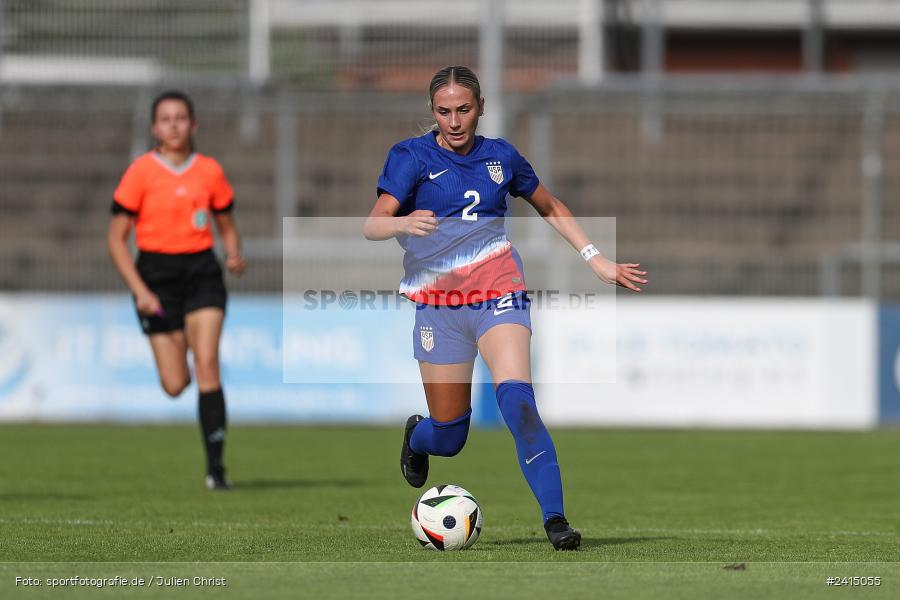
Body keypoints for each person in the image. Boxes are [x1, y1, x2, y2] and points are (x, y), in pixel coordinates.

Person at [364, 66, 648, 550]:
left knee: (517, 400)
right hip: (439, 306)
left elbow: (550, 205)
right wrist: (403, 222)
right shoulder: (410, 157)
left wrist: (594, 258)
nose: (454, 121)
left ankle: (556, 520)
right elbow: (373, 225)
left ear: (480, 108)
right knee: (450, 436)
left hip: (500, 295)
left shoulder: (501, 157)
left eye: (464, 110)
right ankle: (417, 438)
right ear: (432, 112)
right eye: (443, 111)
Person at [107, 90, 246, 491]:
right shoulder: (140, 172)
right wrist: (140, 291)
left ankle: (216, 471)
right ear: (154, 127)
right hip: (155, 278)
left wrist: (235, 254)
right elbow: (116, 240)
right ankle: (179, 334)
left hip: (202, 272)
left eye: (180, 118)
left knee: (207, 365)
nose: (173, 125)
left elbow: (227, 226)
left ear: (193, 125)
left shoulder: (209, 171)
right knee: (174, 384)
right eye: (165, 119)